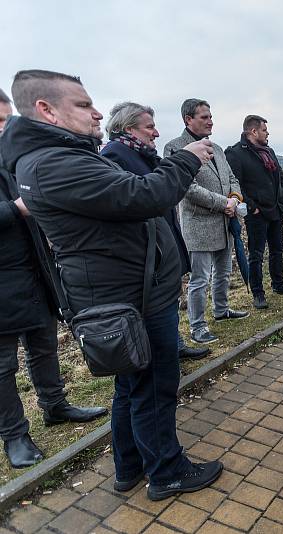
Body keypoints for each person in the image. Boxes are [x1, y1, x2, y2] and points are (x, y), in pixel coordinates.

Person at [0, 70, 223, 499]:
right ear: (45, 109)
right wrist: (186, 158)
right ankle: (167, 471)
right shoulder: (54, 164)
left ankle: (130, 466)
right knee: (155, 386)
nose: (96, 112)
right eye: (83, 104)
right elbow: (143, 196)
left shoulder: (57, 155)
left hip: (125, 291)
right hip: (127, 297)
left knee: (132, 385)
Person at [0, 87, 106, 469]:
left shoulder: (17, 160)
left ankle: (55, 406)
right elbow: (20, 209)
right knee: (2, 367)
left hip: (36, 271)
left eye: (9, 118)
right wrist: (15, 209)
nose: (6, 127)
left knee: (43, 346)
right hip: (1, 284)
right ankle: (15, 436)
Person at [100, 102, 209, 361]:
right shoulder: (115, 156)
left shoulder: (141, 154)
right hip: (147, 257)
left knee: (170, 304)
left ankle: (175, 344)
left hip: (162, 247)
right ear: (128, 129)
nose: (156, 133)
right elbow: (142, 200)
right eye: (149, 127)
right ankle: (166, 350)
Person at [164, 99, 248, 345]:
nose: (210, 121)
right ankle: (198, 326)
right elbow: (188, 188)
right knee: (200, 280)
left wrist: (234, 198)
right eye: (204, 117)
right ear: (187, 119)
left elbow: (231, 178)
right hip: (199, 225)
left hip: (225, 223)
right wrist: (225, 203)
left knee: (223, 272)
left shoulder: (218, 149)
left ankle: (221, 311)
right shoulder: (176, 148)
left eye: (211, 116)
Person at [225, 115, 283, 309]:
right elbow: (236, 183)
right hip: (257, 213)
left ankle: (279, 284)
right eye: (265, 130)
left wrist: (282, 198)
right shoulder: (235, 153)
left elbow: (281, 177)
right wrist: (252, 207)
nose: (268, 133)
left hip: (275, 209)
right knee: (256, 254)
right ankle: (258, 293)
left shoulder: (268, 151)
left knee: (277, 249)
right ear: (253, 131)